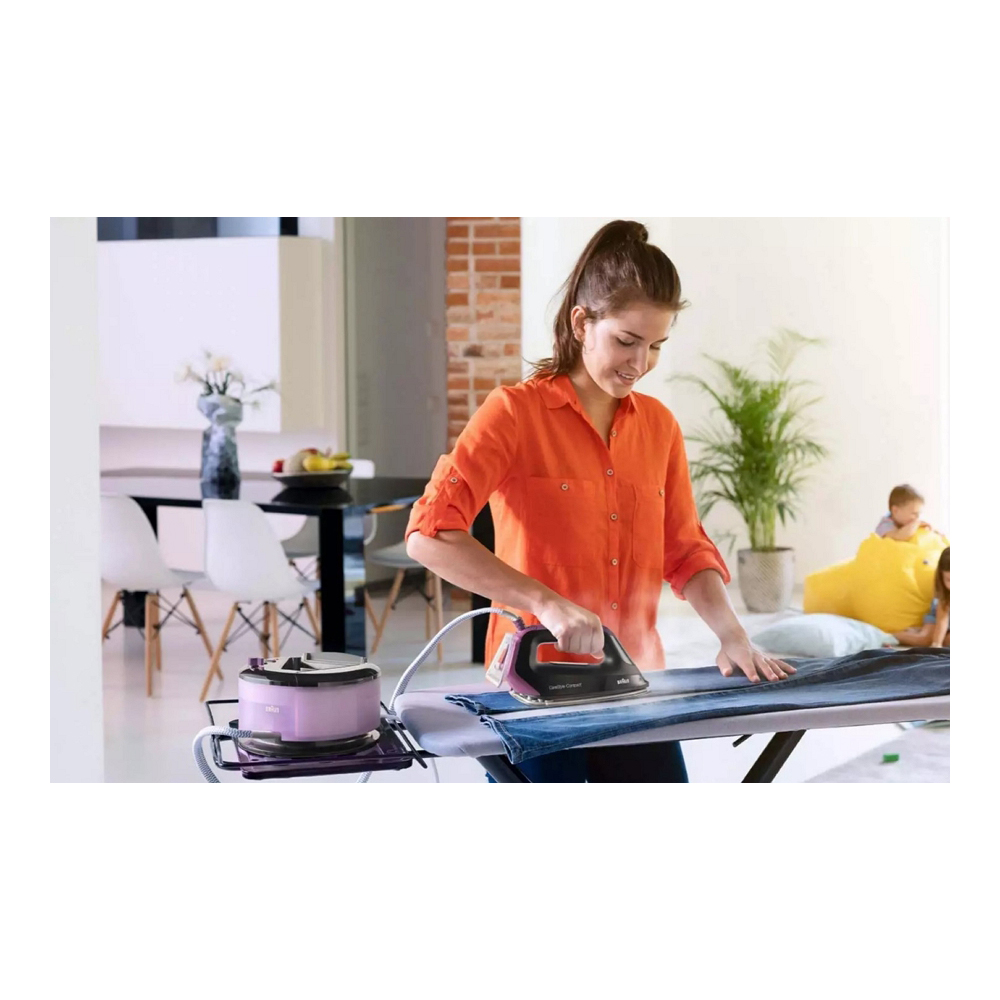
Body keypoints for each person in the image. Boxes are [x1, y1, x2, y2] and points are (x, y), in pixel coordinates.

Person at [405, 219, 793, 783]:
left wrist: (733, 635)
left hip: (635, 685)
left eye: (656, 346)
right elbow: (428, 536)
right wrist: (548, 604)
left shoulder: (659, 427)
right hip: (534, 693)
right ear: (581, 323)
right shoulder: (513, 415)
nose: (640, 363)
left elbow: (685, 548)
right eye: (626, 341)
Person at [894, 546, 950, 648]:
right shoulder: (946, 595)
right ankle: (891, 636)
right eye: (949, 580)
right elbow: (942, 621)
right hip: (940, 617)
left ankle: (919, 630)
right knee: (925, 640)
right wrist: (936, 644)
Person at [875, 484, 939, 542]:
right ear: (895, 511)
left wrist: (932, 532)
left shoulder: (906, 522)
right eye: (914, 513)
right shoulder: (885, 525)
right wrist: (916, 524)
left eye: (919, 513)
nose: (917, 517)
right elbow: (899, 537)